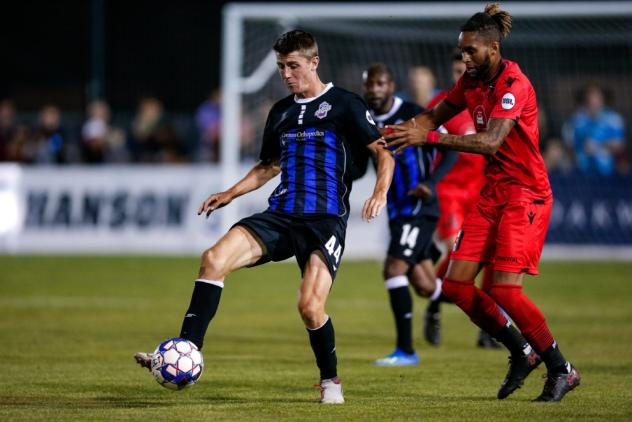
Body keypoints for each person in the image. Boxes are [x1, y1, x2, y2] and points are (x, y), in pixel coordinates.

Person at [134, 30, 394, 404]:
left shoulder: (345, 104)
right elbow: (269, 166)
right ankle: (187, 351)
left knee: (310, 307)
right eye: (281, 67)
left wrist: (380, 191)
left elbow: (383, 152)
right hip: (281, 215)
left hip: (324, 221)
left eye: (293, 66)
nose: (286, 74)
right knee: (212, 260)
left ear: (313, 62)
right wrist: (230, 193)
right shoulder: (282, 111)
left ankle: (330, 381)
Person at [384, 3, 580, 402]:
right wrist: (394, 132)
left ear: (493, 48)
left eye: (470, 51)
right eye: (461, 51)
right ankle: (522, 352)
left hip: (525, 194)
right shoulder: (470, 83)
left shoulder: (513, 84)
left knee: (504, 290)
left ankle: (562, 368)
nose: (464, 58)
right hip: (492, 194)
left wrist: (432, 139)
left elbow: (489, 141)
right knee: (454, 284)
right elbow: (432, 117)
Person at [362, 63, 456, 366]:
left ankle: (406, 351)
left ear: (391, 86)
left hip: (418, 207)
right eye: (370, 85)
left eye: (381, 84)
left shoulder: (416, 112)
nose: (375, 90)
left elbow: (451, 147)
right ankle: (487, 306)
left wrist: (430, 182)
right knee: (426, 286)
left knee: (393, 270)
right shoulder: (364, 118)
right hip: (396, 210)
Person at [423, 50, 500, 349]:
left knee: (490, 259)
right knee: (458, 252)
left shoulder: (488, 103)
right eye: (457, 71)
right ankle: (434, 302)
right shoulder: (440, 106)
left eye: (466, 70)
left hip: (481, 192)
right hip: (449, 192)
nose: (462, 75)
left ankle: (488, 328)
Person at [562, 83, 625, 176]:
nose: (593, 101)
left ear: (602, 99)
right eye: (590, 99)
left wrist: (598, 146)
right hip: (581, 171)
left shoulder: (614, 119)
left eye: (597, 98)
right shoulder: (576, 120)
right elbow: (568, 143)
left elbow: (619, 146)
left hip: (607, 171)